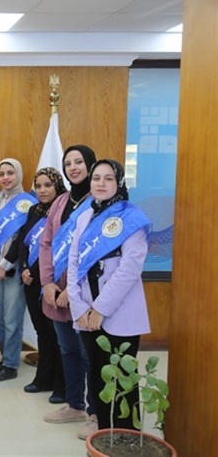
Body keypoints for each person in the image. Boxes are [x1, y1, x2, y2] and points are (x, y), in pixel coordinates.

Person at [68, 159, 151, 431]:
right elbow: (73, 264)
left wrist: (100, 309)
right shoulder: (84, 217)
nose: (101, 183)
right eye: (96, 178)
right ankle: (104, 434)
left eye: (108, 178)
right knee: (97, 376)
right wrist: (79, 307)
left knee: (123, 380)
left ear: (119, 182)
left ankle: (127, 438)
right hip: (87, 313)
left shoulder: (132, 217)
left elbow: (130, 268)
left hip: (118, 312)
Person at [39, 145, 99, 439]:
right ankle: (74, 405)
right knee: (68, 351)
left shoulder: (99, 202)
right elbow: (46, 243)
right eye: (68, 163)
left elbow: (95, 251)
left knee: (89, 354)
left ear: (90, 165)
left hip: (83, 294)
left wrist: (71, 290)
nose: (73, 167)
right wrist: (48, 282)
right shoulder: (61, 201)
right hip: (55, 292)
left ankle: (95, 413)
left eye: (79, 162)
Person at [0, 158, 36, 382]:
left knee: (12, 319)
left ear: (18, 174)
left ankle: (11, 364)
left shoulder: (29, 203)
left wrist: (5, 263)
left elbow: (25, 238)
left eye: (10, 173)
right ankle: (5, 357)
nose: (5, 178)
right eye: (1, 173)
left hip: (14, 268)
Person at [18, 167, 67, 399]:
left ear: (57, 185)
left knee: (56, 334)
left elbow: (55, 246)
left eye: (48, 185)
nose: (42, 190)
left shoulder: (64, 211)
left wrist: (35, 272)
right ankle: (43, 378)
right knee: (42, 332)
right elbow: (23, 242)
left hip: (51, 280)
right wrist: (24, 268)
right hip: (30, 280)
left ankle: (61, 383)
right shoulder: (34, 210)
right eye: (38, 186)